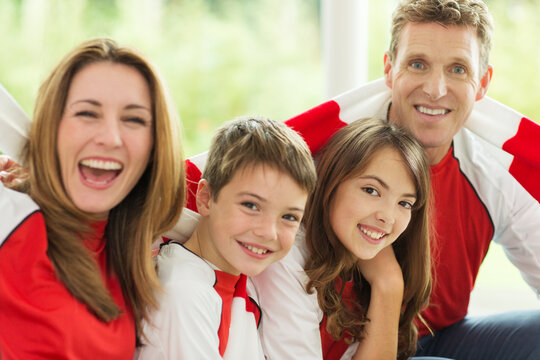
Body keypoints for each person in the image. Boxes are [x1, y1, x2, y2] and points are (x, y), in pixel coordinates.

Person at [277, 0, 540, 358]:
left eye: (458, 69)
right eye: (418, 64)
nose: (435, 89)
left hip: (441, 336)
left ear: (483, 83)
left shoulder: (495, 173)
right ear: (389, 69)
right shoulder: (334, 160)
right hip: (347, 345)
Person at [0, 38, 185, 359]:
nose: (110, 138)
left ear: (155, 147)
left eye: (133, 119)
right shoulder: (10, 221)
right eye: (87, 113)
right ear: (50, 128)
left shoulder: (132, 248)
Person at [134, 116, 317, 359]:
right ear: (206, 198)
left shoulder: (239, 283)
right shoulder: (184, 293)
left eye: (289, 216)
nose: (268, 232)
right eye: (251, 205)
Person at [250, 118, 432, 360]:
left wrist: (388, 282)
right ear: (330, 182)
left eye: (404, 203)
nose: (388, 218)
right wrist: (388, 283)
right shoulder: (286, 257)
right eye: (371, 190)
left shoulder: (360, 263)